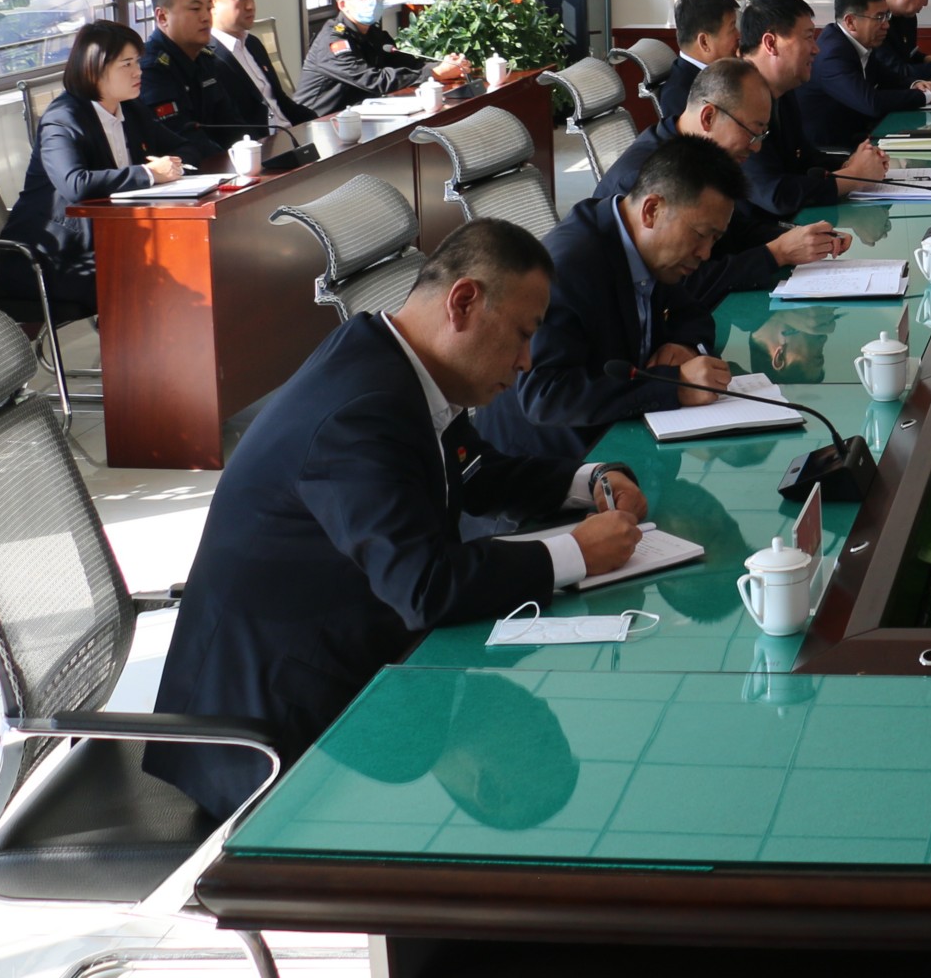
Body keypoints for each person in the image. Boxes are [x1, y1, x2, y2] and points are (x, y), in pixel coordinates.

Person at [146, 219, 644, 821]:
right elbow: (425, 586)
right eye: (521, 334)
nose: (526, 360)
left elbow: (472, 469)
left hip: (348, 661)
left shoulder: (389, 358)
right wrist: (577, 554)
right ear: (463, 302)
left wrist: (586, 481)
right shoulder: (361, 410)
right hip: (276, 734)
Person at [478, 138, 747, 459]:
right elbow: (545, 396)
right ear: (652, 210)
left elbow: (692, 314)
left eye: (715, 239)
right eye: (701, 235)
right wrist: (672, 386)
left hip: (624, 435)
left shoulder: (653, 249)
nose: (705, 253)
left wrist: (684, 346)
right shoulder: (569, 269)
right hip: (551, 462)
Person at [0, 20, 198, 319]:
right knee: (153, 279)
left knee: (189, 261)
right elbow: (75, 184)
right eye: (127, 64)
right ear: (94, 70)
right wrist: (149, 174)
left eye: (137, 62)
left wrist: (173, 166)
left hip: (112, 243)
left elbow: (185, 148)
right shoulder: (62, 119)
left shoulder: (131, 109)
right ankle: (137, 348)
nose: (138, 72)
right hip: (48, 258)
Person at [599, 59, 848, 298]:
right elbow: (678, 286)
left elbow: (736, 230)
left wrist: (801, 237)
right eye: (752, 133)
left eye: (762, 135)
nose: (756, 148)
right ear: (708, 117)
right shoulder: (642, 178)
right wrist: (776, 254)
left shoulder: (701, 156)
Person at [737, 0, 887, 219]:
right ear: (771, 43)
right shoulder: (738, 97)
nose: (816, 49)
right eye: (808, 37)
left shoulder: (783, 89)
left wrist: (850, 162)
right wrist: (854, 177)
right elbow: (776, 194)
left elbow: (805, 159)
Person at [799, 0, 931, 155]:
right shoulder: (832, 55)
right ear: (850, 22)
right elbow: (871, 103)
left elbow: (885, 75)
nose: (886, 25)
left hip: (861, 133)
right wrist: (927, 95)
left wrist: (915, 84)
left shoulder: (857, 42)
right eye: (879, 17)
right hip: (833, 149)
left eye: (887, 16)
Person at [297, 0, 467, 112]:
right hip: (314, 123)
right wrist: (435, 73)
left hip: (354, 116)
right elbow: (374, 80)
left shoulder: (373, 33)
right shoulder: (334, 42)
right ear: (343, 4)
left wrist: (446, 66)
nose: (374, 0)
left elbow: (405, 63)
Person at [135, 0, 256, 156]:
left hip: (220, 162)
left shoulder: (205, 58)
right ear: (162, 17)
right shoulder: (152, 69)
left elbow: (231, 124)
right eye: (195, 9)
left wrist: (251, 152)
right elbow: (180, 138)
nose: (206, 17)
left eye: (209, 8)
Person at [199, 0, 317, 141]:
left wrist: (318, 123)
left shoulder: (253, 43)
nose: (250, 6)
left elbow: (280, 100)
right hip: (257, 147)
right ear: (212, 5)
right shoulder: (205, 57)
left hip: (290, 135)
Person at [656, 0, 738, 117]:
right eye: (732, 28)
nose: (739, 35)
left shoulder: (718, 71)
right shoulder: (680, 96)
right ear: (704, 42)